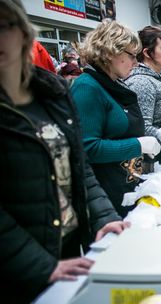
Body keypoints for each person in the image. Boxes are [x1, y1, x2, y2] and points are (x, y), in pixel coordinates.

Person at [0, 1, 129, 302]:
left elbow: (78, 165)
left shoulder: (52, 93)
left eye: (2, 26)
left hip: (67, 247)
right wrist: (39, 265)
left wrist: (102, 216)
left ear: (22, 31)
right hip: (19, 266)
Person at [71, 20, 161, 218]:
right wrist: (137, 145)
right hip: (105, 195)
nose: (135, 62)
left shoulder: (113, 84)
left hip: (125, 184)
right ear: (111, 52)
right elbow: (88, 148)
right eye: (131, 55)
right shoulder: (87, 87)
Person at [125, 26, 161, 165]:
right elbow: (143, 127)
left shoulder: (159, 78)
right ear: (147, 53)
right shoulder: (141, 82)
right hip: (153, 160)